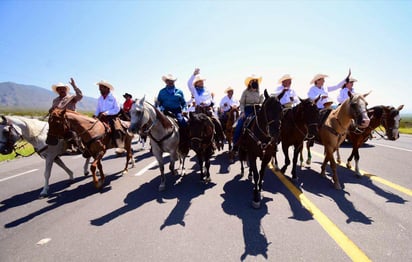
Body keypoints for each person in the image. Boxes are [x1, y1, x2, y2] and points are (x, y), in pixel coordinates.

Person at [187, 68, 225, 150]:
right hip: (199, 110)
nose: (201, 82)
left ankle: (220, 138)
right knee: (190, 123)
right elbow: (189, 84)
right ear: (196, 83)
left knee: (217, 122)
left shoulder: (207, 90)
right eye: (199, 81)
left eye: (202, 81)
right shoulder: (194, 90)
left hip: (207, 110)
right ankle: (189, 141)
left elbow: (210, 99)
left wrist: (207, 103)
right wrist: (193, 74)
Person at [46, 78, 83, 153]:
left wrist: (74, 86)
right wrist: (51, 110)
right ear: (57, 91)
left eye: (63, 89)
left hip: (71, 118)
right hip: (60, 119)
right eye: (59, 89)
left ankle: (78, 145)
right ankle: (54, 145)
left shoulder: (71, 98)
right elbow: (53, 109)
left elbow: (80, 96)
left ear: (66, 90)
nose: (61, 90)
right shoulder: (55, 100)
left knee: (72, 130)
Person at [232, 74, 264, 153]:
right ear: (250, 83)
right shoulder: (245, 92)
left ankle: (269, 143)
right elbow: (242, 103)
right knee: (239, 124)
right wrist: (242, 112)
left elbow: (262, 102)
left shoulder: (260, 92)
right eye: (253, 81)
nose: (255, 82)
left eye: (256, 81)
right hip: (247, 110)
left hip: (257, 109)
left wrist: (261, 103)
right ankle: (235, 144)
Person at [157, 74, 189, 148]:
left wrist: (184, 110)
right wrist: (161, 109)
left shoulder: (179, 91)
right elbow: (159, 103)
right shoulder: (161, 92)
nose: (170, 82)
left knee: (182, 122)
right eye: (168, 81)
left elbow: (183, 103)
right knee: (156, 124)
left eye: (172, 81)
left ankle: (185, 140)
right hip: (165, 111)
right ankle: (156, 144)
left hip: (177, 111)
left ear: (174, 82)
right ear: (166, 82)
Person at [94, 80, 123, 148]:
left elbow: (117, 109)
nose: (100, 90)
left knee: (117, 129)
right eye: (99, 89)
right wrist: (95, 115)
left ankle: (119, 145)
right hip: (101, 116)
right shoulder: (100, 98)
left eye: (101, 88)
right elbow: (98, 108)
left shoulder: (113, 97)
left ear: (107, 88)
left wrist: (106, 113)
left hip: (111, 117)